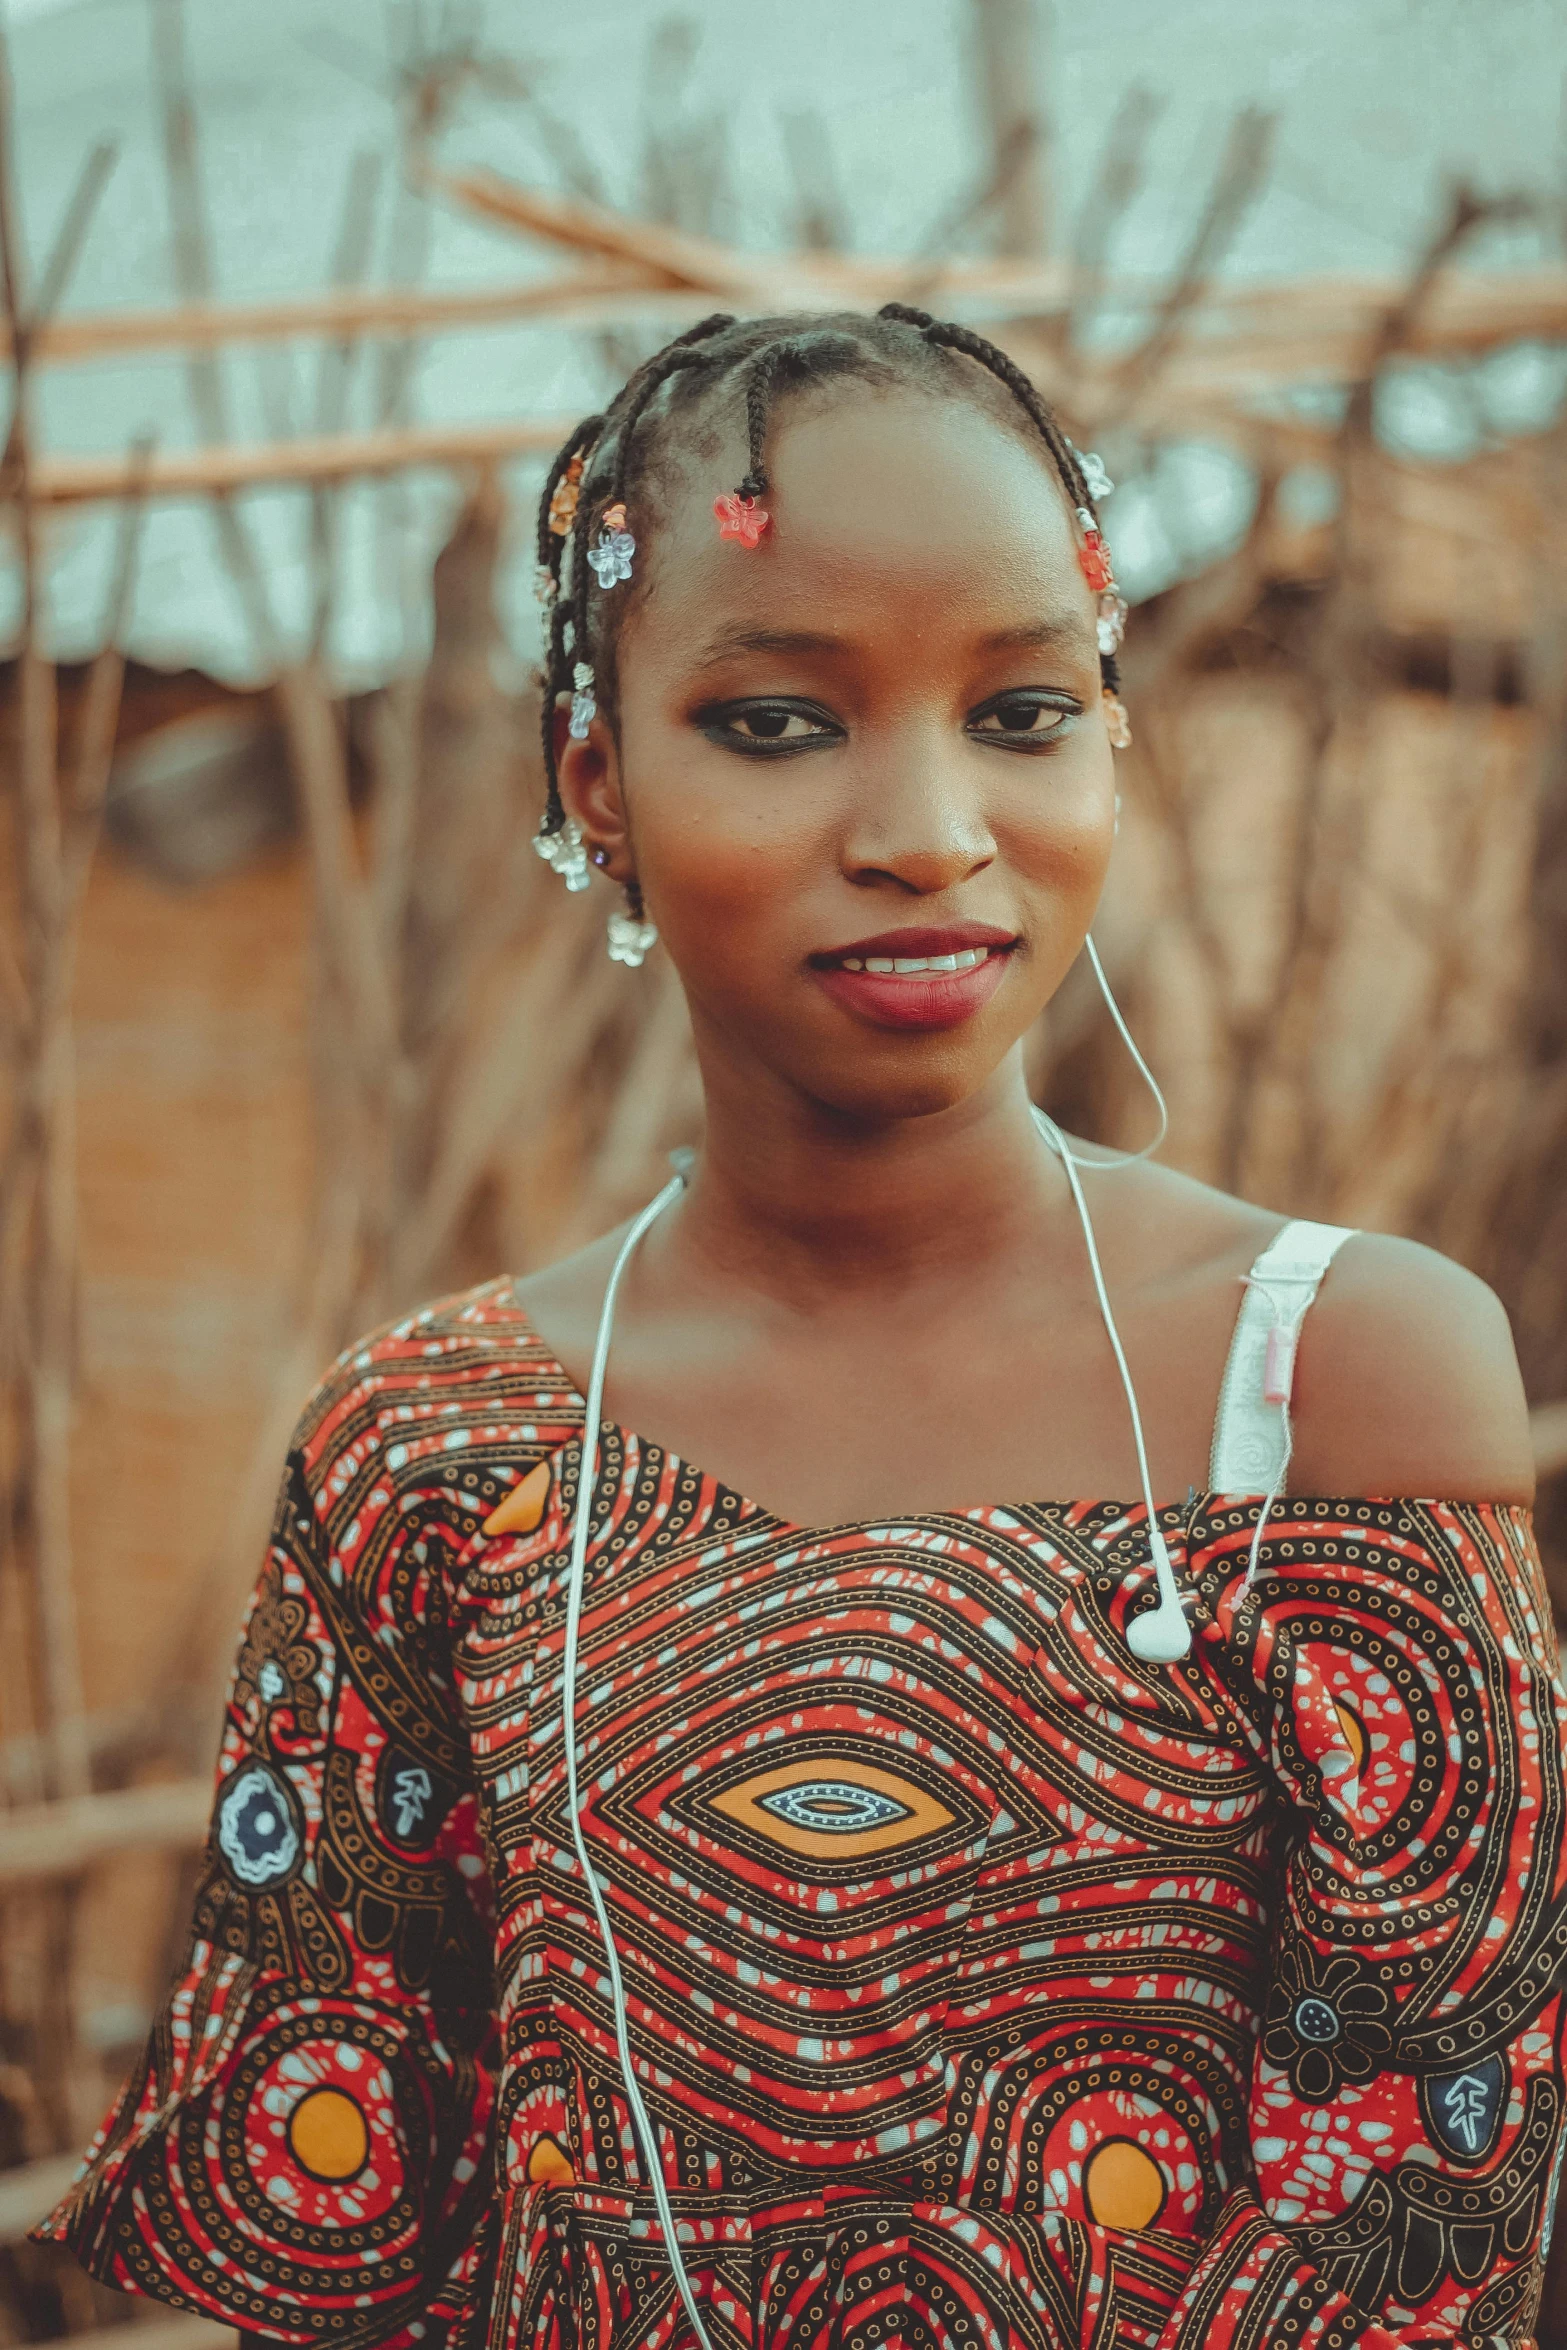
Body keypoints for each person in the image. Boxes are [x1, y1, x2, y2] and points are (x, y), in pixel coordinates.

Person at [39, 307, 1566, 2350]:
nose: (930, 826)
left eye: (1023, 709)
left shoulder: (1336, 1383)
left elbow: (1423, 2210)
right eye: (779, 721)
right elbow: (345, 2232)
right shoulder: (440, 1449)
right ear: (599, 778)